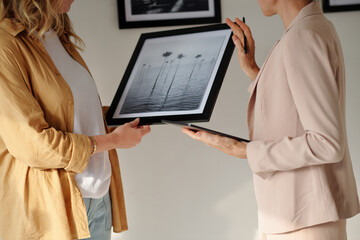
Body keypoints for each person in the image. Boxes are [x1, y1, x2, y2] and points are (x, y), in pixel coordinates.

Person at [183, 0, 360, 239]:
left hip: (304, 220)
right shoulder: (311, 28)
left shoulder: (302, 36)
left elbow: (327, 143)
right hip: (301, 216)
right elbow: (297, 103)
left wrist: (242, 149)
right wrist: (253, 70)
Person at [0, 0, 151, 240]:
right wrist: (112, 140)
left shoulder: (59, 37)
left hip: (98, 199)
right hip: (52, 210)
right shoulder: (6, 45)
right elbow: (32, 144)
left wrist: (128, 114)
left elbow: (78, 116)